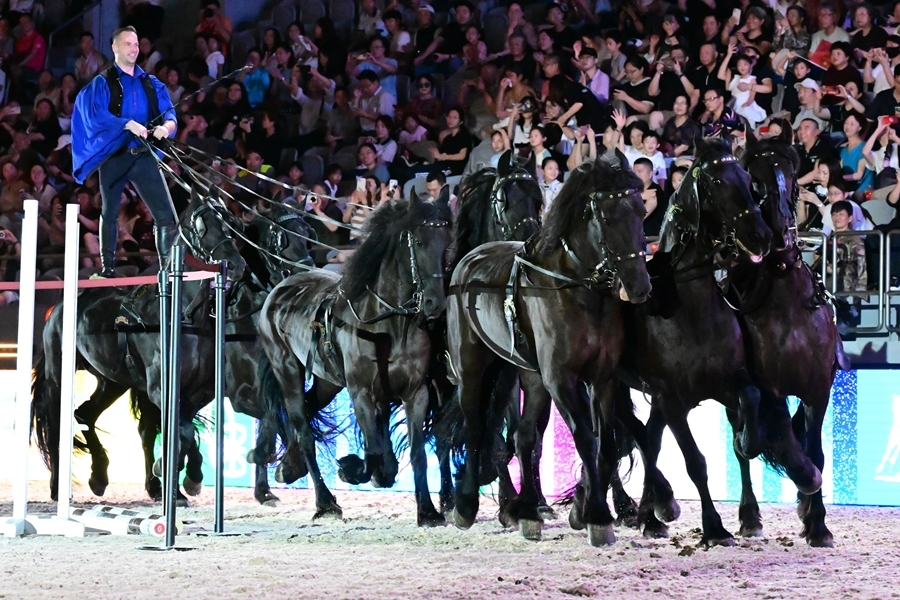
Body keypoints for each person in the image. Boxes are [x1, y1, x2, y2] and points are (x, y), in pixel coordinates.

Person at [71, 26, 178, 278]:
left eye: (136, 44)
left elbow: (170, 113)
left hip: (143, 155)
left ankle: (167, 272)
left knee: (165, 215)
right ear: (115, 47)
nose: (134, 48)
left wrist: (167, 126)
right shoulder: (102, 82)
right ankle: (107, 270)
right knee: (109, 212)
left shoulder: (151, 83)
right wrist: (127, 124)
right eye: (128, 44)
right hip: (116, 156)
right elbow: (95, 115)